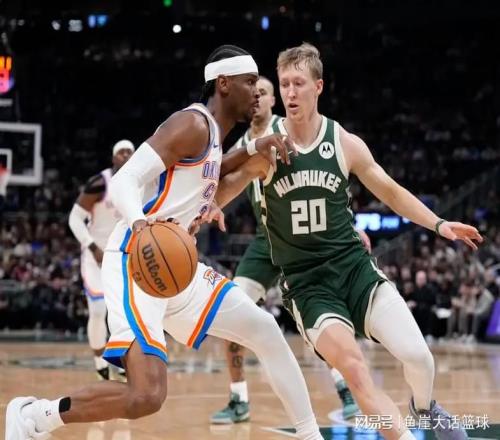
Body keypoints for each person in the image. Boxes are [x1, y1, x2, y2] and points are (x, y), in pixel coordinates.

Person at [6, 45, 323, 440]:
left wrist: (253, 148)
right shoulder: (191, 123)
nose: (258, 92)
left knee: (265, 329)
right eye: (249, 83)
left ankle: (310, 435)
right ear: (224, 84)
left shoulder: (213, 136)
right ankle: (34, 416)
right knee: (146, 396)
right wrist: (141, 226)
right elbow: (125, 180)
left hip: (178, 269)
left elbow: (211, 168)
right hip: (137, 262)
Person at [213, 43, 482, 440]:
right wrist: (207, 205)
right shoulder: (269, 147)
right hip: (308, 284)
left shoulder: (342, 142)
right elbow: (228, 184)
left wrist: (439, 224)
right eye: (284, 84)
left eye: (298, 83)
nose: (290, 93)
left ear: (318, 87)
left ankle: (423, 408)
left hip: (355, 269)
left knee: (419, 358)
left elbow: (389, 191)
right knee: (355, 370)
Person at [210, 76, 359, 424]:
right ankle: (238, 399)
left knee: (318, 322)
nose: (257, 99)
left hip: (302, 241)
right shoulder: (241, 147)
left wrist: (350, 228)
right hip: (265, 243)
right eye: (253, 94)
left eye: (263, 93)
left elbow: (329, 186)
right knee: (230, 312)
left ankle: (346, 389)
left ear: (274, 100)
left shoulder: (293, 130)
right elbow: (218, 184)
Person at [68, 140, 134, 380]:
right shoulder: (99, 183)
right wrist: (92, 246)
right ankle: (99, 362)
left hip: (122, 253)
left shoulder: (140, 183)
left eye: (130, 152)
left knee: (123, 311)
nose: (126, 156)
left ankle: (122, 359)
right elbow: (74, 219)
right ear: (114, 158)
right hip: (95, 253)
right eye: (121, 152)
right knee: (97, 310)